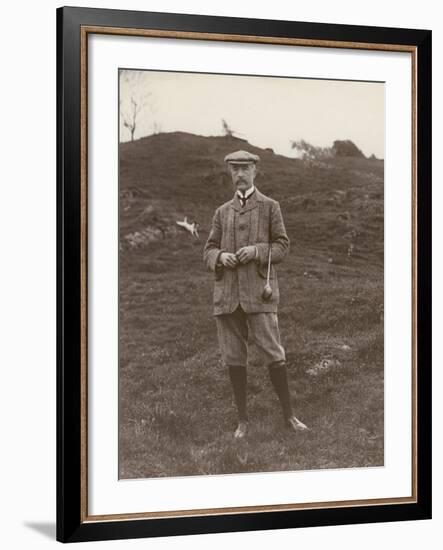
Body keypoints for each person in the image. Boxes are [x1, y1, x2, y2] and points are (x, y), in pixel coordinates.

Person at [203, 150, 309, 438]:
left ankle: (290, 416)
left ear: (254, 172)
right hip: (227, 297)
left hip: (259, 294)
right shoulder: (221, 212)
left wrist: (257, 251)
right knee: (234, 358)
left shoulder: (270, 207)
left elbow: (283, 246)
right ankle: (243, 421)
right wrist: (220, 257)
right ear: (229, 172)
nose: (239, 174)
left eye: (244, 169)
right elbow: (208, 249)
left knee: (274, 354)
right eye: (234, 169)